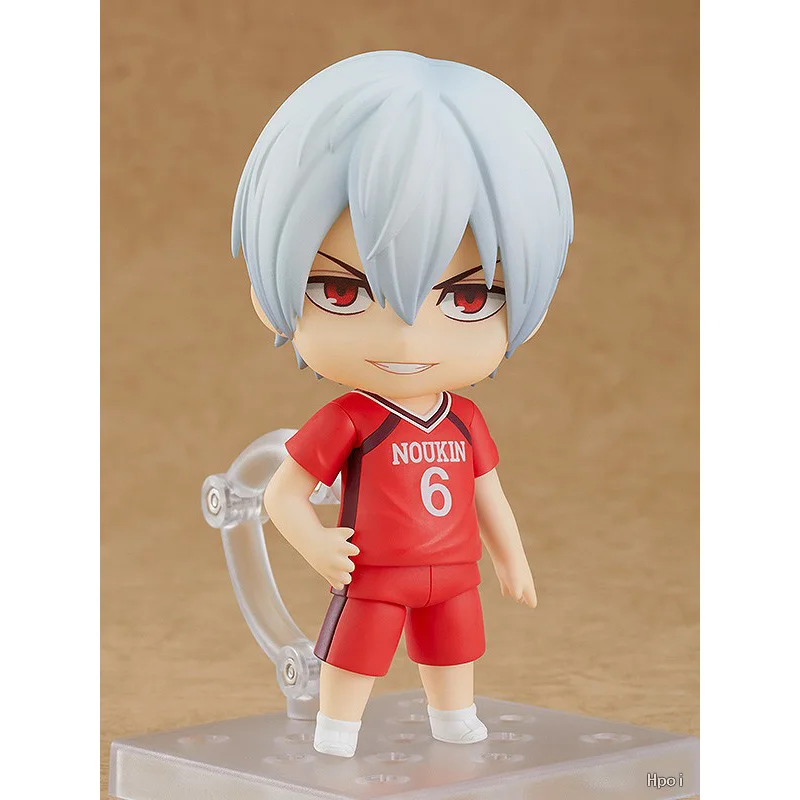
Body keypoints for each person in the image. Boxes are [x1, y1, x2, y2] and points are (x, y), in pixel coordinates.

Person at [232, 50, 573, 757]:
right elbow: (280, 494)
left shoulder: (465, 419)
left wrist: (511, 559)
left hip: (453, 572)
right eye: (342, 291)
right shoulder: (351, 419)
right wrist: (317, 545)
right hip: (375, 572)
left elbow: (489, 495)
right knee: (355, 654)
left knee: (454, 651)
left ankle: (454, 719)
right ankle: (337, 729)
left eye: (468, 297)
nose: (410, 337)